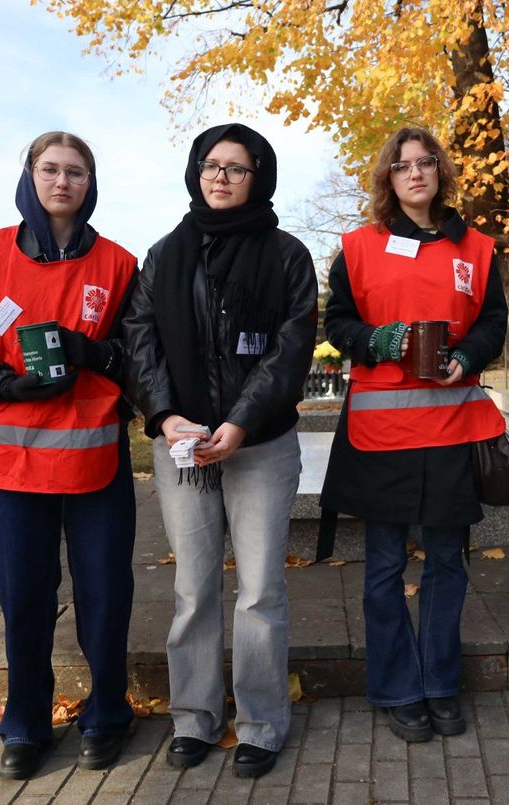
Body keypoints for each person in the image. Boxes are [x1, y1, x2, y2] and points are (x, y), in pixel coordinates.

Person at [0, 131, 138, 780]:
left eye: (75, 171)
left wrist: (90, 354)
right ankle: (24, 724)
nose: (62, 181)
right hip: (16, 468)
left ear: (90, 182)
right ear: (29, 175)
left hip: (96, 464)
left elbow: (137, 359)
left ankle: (107, 714)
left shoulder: (118, 264)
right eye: (50, 169)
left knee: (104, 596)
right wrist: (9, 385)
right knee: (24, 598)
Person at [123, 123, 317, 779]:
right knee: (193, 587)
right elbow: (138, 342)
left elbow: (289, 351)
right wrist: (164, 414)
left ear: (258, 176)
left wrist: (239, 420)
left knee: (259, 589)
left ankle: (262, 720)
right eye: (212, 164)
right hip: (182, 446)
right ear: (194, 171)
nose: (222, 176)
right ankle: (195, 717)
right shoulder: (164, 254)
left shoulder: (288, 255)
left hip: (259, 443)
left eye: (237, 167)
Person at [319, 127, 508, 742]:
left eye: (426, 163)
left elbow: (494, 321)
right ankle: (399, 687)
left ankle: (439, 683)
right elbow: (338, 322)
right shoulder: (356, 247)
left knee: (448, 564)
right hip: (382, 434)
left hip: (453, 428)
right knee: (382, 567)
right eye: (402, 166)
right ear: (388, 178)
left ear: (440, 172)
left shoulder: (477, 248)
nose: (415, 174)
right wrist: (374, 341)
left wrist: (468, 355)